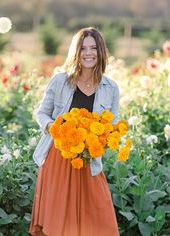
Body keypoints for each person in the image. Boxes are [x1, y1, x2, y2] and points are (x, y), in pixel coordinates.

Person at [29, 27, 120, 236]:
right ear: (76, 52)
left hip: (89, 161)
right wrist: (56, 128)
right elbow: (41, 113)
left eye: (93, 48)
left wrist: (99, 139)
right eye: (83, 48)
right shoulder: (60, 81)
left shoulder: (111, 88)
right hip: (58, 159)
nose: (88, 53)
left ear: (101, 51)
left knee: (99, 221)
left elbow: (112, 127)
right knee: (60, 221)